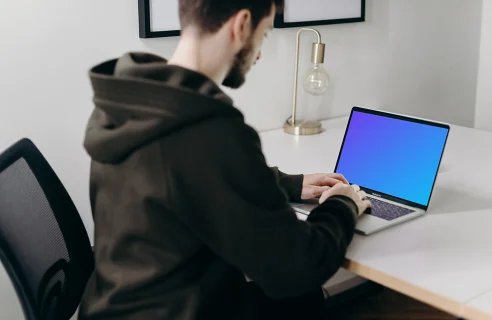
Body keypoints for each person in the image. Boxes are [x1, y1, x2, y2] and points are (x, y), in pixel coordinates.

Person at [78, 0, 371, 319]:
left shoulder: (130, 102)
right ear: (242, 24)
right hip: (183, 310)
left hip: (116, 301)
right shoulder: (211, 132)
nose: (259, 53)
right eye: (265, 34)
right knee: (302, 296)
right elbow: (298, 268)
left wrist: (290, 184)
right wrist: (342, 205)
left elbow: (181, 178)